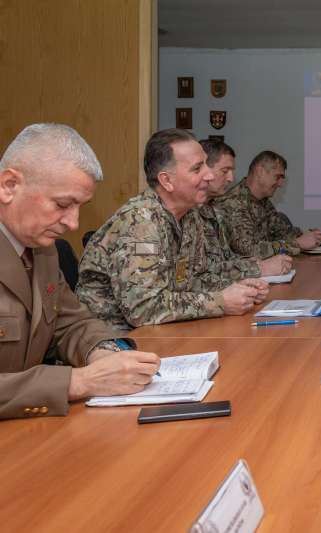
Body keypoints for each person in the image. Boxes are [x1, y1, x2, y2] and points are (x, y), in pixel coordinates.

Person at [0, 123, 160, 419]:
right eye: (62, 204)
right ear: (9, 185)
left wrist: (101, 352)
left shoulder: (42, 250)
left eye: (79, 207)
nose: (73, 223)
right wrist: (77, 382)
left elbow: (70, 322)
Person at [77, 129, 269, 330]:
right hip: (112, 337)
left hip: (157, 330)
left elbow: (192, 280)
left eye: (206, 164)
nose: (210, 174)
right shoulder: (141, 223)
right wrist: (220, 301)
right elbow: (142, 308)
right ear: (167, 181)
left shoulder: (190, 215)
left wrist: (235, 289)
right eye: (197, 168)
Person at [214, 150, 321, 258]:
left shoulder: (263, 201)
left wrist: (317, 238)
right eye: (278, 177)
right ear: (260, 172)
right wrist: (297, 244)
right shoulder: (233, 202)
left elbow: (284, 232)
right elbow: (249, 251)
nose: (281, 184)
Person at [199, 139, 292, 276]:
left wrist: (255, 265)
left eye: (231, 171)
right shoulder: (227, 204)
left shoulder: (210, 209)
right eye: (225, 171)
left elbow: (225, 259)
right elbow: (198, 275)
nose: (231, 178)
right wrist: (259, 268)